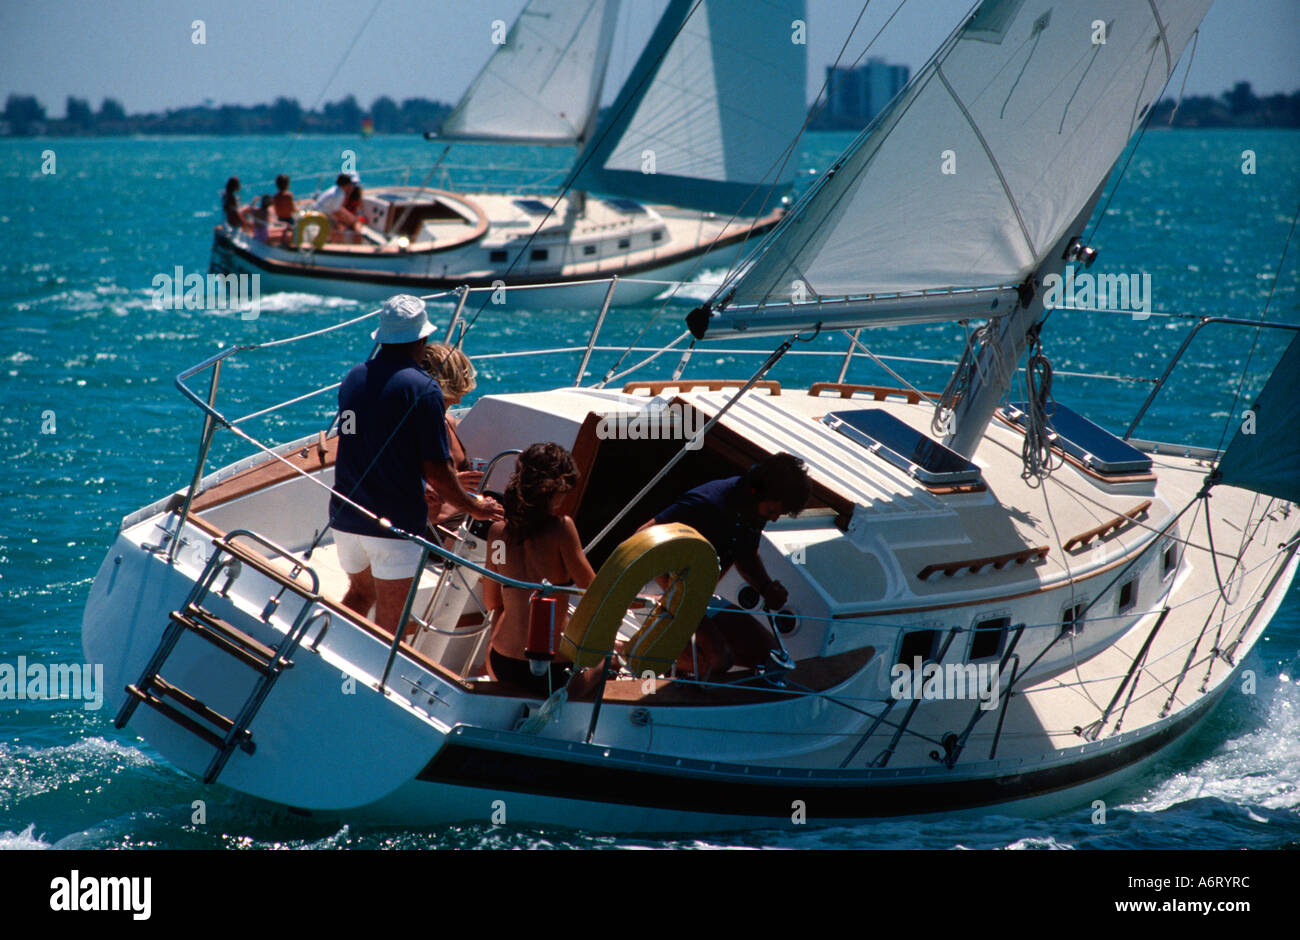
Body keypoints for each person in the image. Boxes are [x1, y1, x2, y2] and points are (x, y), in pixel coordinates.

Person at [328, 294, 502, 636]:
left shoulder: (353, 378)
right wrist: (475, 508)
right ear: (422, 339)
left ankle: (322, 651)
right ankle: (376, 683)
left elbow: (351, 441)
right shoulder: (423, 390)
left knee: (360, 595)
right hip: (393, 528)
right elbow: (437, 470)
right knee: (390, 626)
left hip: (345, 516)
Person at [639, 452, 812, 680]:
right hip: (663, 593)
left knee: (769, 655)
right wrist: (673, 590)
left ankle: (678, 659)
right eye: (773, 511)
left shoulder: (753, 510)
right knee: (719, 661)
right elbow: (643, 537)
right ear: (759, 492)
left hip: (698, 599)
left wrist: (766, 587)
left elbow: (746, 556)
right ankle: (640, 655)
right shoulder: (708, 503)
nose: (775, 518)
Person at [482, 443, 601, 699]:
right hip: (554, 671)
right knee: (604, 653)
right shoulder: (562, 529)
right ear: (557, 488)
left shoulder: (498, 535)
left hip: (501, 662)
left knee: (505, 607)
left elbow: (491, 601)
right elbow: (596, 592)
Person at [419, 343, 481, 528]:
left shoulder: (449, 421)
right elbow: (397, 482)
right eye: (450, 395)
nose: (459, 400)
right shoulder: (414, 427)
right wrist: (451, 484)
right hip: (432, 528)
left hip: (463, 519)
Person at [313, 172, 360, 239]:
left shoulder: (335, 190)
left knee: (349, 222)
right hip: (322, 215)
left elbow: (338, 209)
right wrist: (348, 221)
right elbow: (336, 212)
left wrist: (349, 218)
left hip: (321, 212)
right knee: (339, 230)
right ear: (347, 185)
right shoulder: (340, 194)